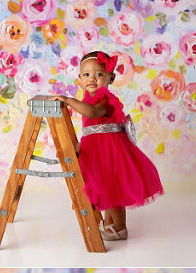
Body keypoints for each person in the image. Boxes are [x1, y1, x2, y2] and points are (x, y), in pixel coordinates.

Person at [51, 51, 163, 241]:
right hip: (95, 150)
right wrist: (78, 146)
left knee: (112, 188)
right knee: (103, 188)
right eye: (86, 74)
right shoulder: (87, 99)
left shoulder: (104, 99)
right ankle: (109, 223)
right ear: (79, 78)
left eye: (99, 74)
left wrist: (69, 101)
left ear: (111, 78)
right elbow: (90, 128)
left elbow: (93, 113)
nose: (92, 78)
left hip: (109, 150)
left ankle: (120, 227)